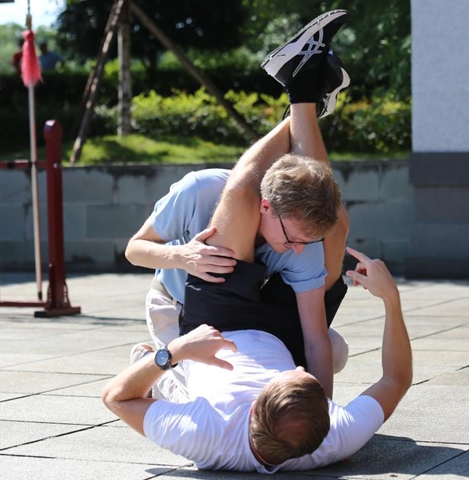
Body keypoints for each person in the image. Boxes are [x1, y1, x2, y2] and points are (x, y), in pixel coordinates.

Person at [125, 10, 351, 399]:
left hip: (251, 300)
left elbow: (316, 338)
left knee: (335, 350)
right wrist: (183, 257)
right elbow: (134, 251)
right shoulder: (200, 190)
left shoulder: (298, 236)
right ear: (266, 207)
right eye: (293, 238)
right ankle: (150, 363)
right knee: (201, 392)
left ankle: (304, 96)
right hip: (178, 305)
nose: (299, 249)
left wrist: (324, 415)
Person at [101, 247, 413, 472]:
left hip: (205, 333)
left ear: (254, 407)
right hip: (275, 331)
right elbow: (395, 379)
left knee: (232, 216)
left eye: (289, 375)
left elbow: (115, 398)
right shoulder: (337, 437)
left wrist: (174, 352)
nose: (301, 367)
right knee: (330, 233)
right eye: (303, 373)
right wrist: (391, 300)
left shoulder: (203, 435)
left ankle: (162, 378)